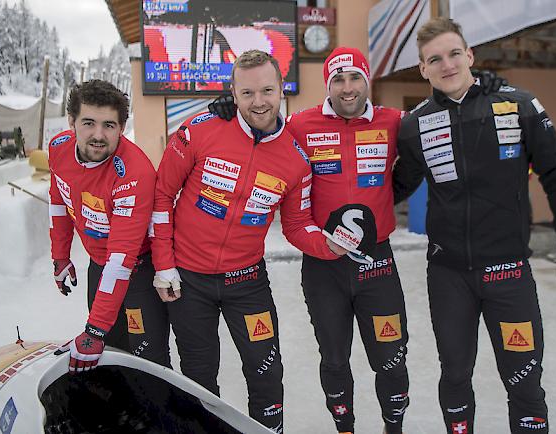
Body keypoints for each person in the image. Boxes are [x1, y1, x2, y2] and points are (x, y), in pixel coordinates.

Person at [393, 17, 556, 434]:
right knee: (455, 376)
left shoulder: (518, 106)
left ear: (469, 55)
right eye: (434, 59)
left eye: (453, 54)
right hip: (448, 277)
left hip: (509, 274)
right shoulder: (414, 125)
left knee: (524, 380)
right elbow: (394, 186)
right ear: (423, 69)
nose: (446, 65)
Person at [150, 49, 346, 433]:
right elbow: (161, 195)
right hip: (189, 280)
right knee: (198, 376)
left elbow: (297, 224)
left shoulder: (295, 158)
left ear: (281, 89)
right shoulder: (200, 129)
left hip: (247, 283)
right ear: (233, 93)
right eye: (248, 93)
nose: (259, 102)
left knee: (267, 373)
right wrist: (164, 264)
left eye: (268, 91)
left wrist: (329, 245)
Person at [49, 79, 170, 372]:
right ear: (71, 122)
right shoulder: (58, 148)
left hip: (138, 270)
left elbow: (122, 256)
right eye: (88, 123)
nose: (98, 135)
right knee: (109, 355)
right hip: (99, 264)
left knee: (147, 363)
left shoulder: (135, 172)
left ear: (122, 127)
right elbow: (58, 200)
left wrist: (94, 331)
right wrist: (60, 256)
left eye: (109, 125)